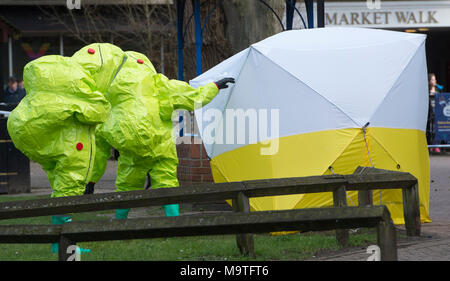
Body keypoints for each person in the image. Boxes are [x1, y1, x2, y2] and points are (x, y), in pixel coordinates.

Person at [83, 50, 235, 220]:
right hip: (161, 149)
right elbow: (192, 96)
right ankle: (174, 223)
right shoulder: (157, 84)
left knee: (126, 187)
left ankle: (119, 223)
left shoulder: (109, 98)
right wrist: (213, 87)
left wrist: (91, 180)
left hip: (131, 154)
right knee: (167, 185)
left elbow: (99, 150)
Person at [7, 43, 127, 253]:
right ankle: (65, 245)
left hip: (27, 128)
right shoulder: (81, 83)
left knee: (58, 182)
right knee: (68, 187)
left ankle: (59, 243)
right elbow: (96, 112)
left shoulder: (61, 74)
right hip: (68, 141)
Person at [427, 73, 443, 153]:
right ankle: (430, 145)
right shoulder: (427, 91)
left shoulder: (438, 90)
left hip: (437, 112)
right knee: (430, 129)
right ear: (429, 81)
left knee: (437, 129)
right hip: (430, 113)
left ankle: (436, 145)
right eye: (432, 79)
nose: (434, 81)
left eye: (434, 79)